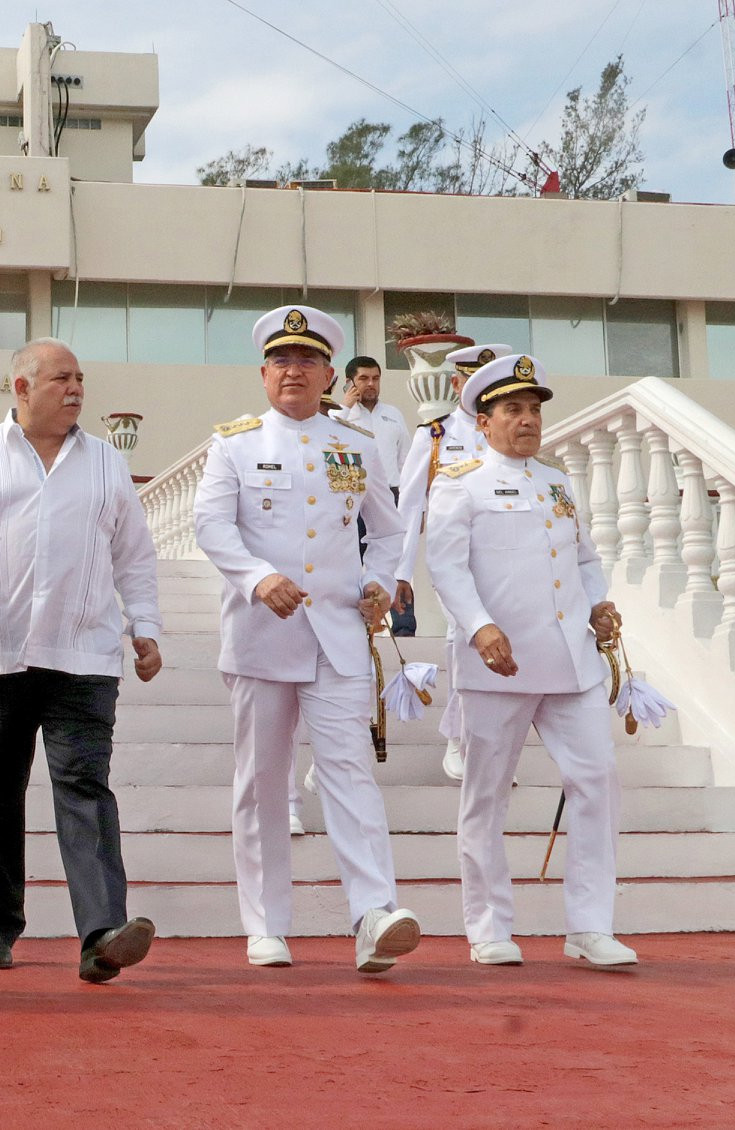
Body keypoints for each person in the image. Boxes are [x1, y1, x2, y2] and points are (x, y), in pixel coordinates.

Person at [193, 304, 421, 974]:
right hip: (263, 632)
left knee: (350, 772)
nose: (293, 371)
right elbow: (211, 526)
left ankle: (374, 915)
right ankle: (265, 923)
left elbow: (387, 528)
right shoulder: (234, 444)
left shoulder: (353, 443)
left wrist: (380, 580)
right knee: (263, 780)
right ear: (263, 373)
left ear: (327, 373)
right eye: (281, 361)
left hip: (338, 635)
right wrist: (256, 578)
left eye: (306, 361)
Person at [0, 338, 162, 982]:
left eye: (81, 378)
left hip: (83, 653)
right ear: (21, 389)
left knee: (86, 789)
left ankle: (101, 933)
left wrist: (145, 627)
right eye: (61, 378)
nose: (76, 388)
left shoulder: (108, 464)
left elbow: (134, 555)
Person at [425, 353, 636, 968]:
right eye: (512, 409)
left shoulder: (557, 483)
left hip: (570, 660)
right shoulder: (459, 482)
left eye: (534, 409)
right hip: (498, 661)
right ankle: (489, 926)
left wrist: (598, 603)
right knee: (486, 796)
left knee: (596, 781)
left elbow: (586, 558)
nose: (527, 420)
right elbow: (446, 566)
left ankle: (590, 926)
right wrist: (479, 626)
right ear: (483, 421)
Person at [392, 343, 510, 781]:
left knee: (496, 647)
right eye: (472, 381)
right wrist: (400, 572)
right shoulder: (435, 435)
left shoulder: (505, 430)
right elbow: (408, 507)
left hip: (502, 557)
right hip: (453, 559)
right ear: (457, 382)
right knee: (465, 636)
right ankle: (459, 741)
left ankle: (483, 740)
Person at [339, 356, 412, 634]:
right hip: (351, 495)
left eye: (375, 378)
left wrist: (415, 504)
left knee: (395, 559)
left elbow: (406, 460)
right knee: (352, 559)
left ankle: (404, 625)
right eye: (364, 379)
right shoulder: (339, 414)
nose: (371, 384)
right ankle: (360, 619)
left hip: (390, 494)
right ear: (350, 381)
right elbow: (330, 438)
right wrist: (346, 406)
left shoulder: (392, 414)